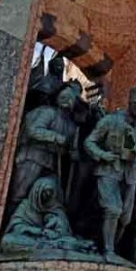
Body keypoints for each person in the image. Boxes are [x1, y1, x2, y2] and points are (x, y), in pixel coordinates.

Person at [84, 86, 136, 258]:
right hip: (108, 169)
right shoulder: (111, 121)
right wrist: (103, 155)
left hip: (130, 174)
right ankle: (108, 250)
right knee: (113, 209)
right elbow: (89, 142)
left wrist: (134, 145)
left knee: (125, 218)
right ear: (130, 104)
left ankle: (111, 247)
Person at [7, 80, 81, 214]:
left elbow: (67, 148)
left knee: (46, 200)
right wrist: (57, 137)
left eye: (70, 98)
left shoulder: (72, 126)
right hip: (32, 157)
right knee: (20, 194)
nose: (67, 101)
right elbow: (33, 130)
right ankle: (11, 224)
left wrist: (71, 152)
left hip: (51, 164)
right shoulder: (47, 112)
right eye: (63, 97)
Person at [0, 176, 94, 253]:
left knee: (71, 240)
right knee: (7, 240)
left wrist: (56, 226)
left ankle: (52, 247)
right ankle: (52, 247)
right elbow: (16, 227)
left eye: (50, 192)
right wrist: (37, 231)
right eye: (44, 192)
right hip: (30, 239)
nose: (47, 195)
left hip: (52, 240)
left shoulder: (55, 208)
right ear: (37, 192)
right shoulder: (25, 206)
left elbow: (64, 231)